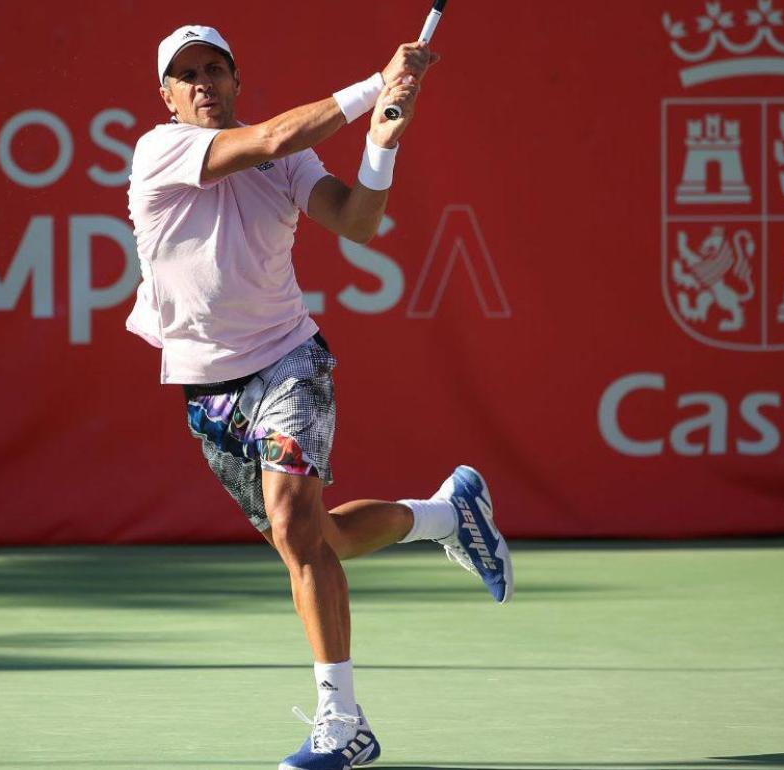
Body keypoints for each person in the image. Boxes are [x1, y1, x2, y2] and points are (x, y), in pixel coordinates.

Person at [124, 24, 513, 770]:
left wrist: (382, 140)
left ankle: (345, 722)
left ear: (237, 81)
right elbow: (267, 139)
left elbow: (358, 223)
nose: (203, 83)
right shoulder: (160, 150)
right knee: (315, 543)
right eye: (186, 75)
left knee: (295, 529)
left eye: (216, 69)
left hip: (289, 364)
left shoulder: (288, 158)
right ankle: (445, 515)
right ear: (166, 97)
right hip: (209, 393)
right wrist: (376, 82)